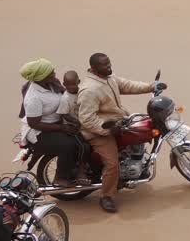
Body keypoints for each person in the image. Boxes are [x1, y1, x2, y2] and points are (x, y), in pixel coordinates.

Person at [78, 53, 158, 214]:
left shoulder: (109, 78)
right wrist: (106, 130)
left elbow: (127, 85)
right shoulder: (90, 90)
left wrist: (151, 86)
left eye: (109, 63)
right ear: (94, 68)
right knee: (112, 164)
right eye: (104, 65)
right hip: (98, 132)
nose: (109, 67)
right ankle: (106, 196)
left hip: (117, 122)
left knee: (138, 131)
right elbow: (86, 118)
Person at [17, 59, 81, 187]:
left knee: (83, 139)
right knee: (68, 145)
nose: (54, 74)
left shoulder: (52, 83)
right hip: (40, 132)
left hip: (58, 123)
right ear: (41, 77)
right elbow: (34, 124)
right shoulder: (34, 97)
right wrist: (62, 128)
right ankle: (60, 178)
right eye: (51, 73)